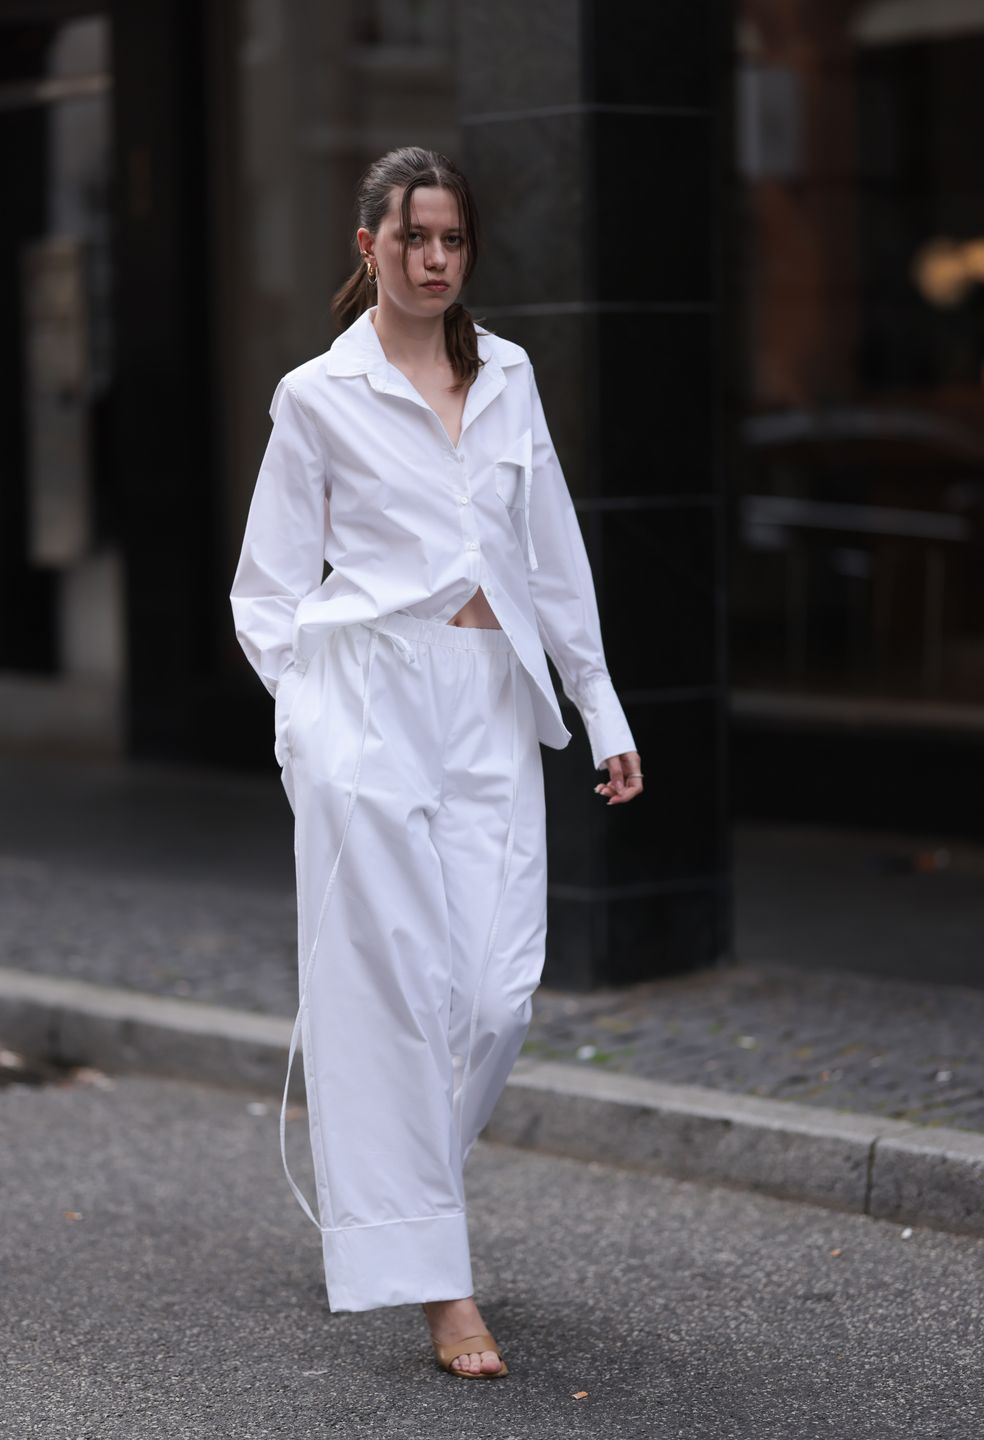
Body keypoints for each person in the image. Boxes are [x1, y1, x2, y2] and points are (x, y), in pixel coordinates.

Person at [230, 146, 643, 1379]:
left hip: (491, 703)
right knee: (396, 992)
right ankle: (436, 1283)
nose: (433, 260)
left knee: (498, 993)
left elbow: (551, 553)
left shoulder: (508, 376)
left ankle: (391, 1200)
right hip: (370, 705)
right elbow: (266, 591)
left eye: (452, 241)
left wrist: (603, 707)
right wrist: (308, 732)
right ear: (369, 248)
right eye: (412, 239)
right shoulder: (317, 396)